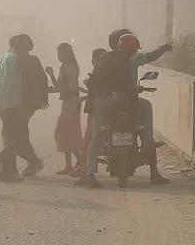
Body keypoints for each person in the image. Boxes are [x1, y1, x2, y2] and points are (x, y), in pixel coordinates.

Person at [76, 34, 141, 189]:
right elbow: (129, 87)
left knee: (96, 136)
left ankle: (90, 173)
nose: (134, 53)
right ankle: (147, 145)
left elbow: (94, 79)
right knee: (145, 108)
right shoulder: (124, 62)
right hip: (115, 99)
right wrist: (136, 105)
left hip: (99, 101)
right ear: (129, 49)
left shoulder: (105, 57)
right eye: (133, 50)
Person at [107, 29, 171, 184]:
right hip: (130, 101)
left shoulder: (107, 58)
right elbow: (151, 56)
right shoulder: (135, 58)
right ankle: (153, 170)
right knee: (146, 114)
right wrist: (163, 48)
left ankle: (87, 167)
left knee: (99, 129)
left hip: (111, 101)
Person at [0, 34, 46, 182]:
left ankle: (10, 169)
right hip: (14, 103)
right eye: (25, 49)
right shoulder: (14, 59)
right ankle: (11, 164)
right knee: (17, 136)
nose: (26, 53)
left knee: (10, 135)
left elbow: (2, 82)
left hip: (8, 103)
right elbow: (8, 82)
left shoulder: (5, 57)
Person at [46, 43, 83, 175]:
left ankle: (79, 159)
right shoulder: (64, 67)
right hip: (67, 102)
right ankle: (70, 164)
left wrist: (57, 89)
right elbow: (58, 86)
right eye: (58, 54)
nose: (59, 57)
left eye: (61, 54)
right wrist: (51, 76)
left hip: (71, 103)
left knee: (64, 134)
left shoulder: (70, 68)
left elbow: (73, 89)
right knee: (65, 135)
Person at [71, 48, 107, 178]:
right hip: (100, 110)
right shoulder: (105, 72)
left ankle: (85, 170)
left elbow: (96, 94)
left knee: (90, 140)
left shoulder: (100, 73)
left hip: (96, 111)